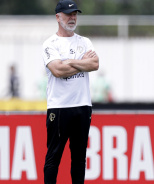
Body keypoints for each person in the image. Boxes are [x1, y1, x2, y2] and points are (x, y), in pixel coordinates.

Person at [42, 0, 99, 184]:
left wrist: (68, 62)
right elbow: (57, 71)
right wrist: (81, 62)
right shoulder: (50, 43)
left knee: (79, 157)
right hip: (59, 106)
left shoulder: (85, 41)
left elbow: (94, 64)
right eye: (68, 14)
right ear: (58, 17)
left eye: (75, 14)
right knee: (54, 157)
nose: (72, 17)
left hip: (82, 105)